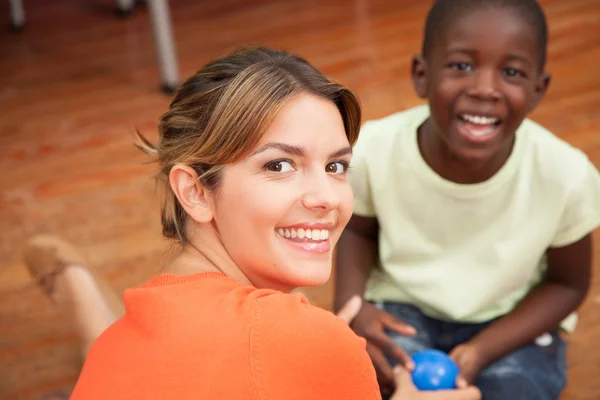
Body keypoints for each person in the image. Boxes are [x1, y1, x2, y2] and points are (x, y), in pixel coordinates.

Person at [24, 47, 481, 400]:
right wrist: (320, 351)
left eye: (336, 167)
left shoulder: (119, 344)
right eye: (280, 166)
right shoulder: (314, 343)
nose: (326, 198)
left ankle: (83, 297)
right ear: (196, 191)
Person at [334, 1, 600, 399]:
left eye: (511, 72)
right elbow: (356, 230)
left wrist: (482, 349)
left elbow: (567, 283)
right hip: (404, 309)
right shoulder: (375, 150)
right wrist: (353, 309)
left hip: (510, 321)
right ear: (421, 75)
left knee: (516, 389)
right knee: (362, 376)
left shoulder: (565, 175)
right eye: (461, 65)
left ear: (538, 90)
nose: (484, 89)